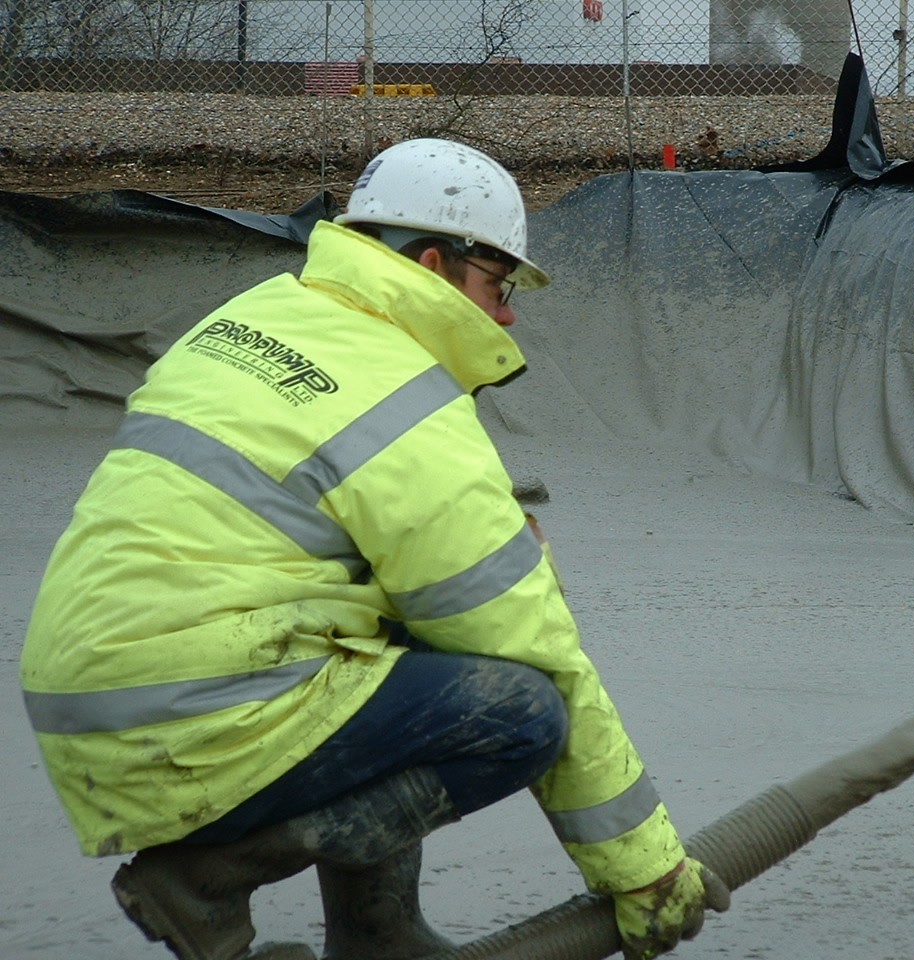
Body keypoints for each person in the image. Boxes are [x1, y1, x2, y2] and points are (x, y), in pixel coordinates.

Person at [20, 138, 729, 960]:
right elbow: (537, 649)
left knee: (392, 629)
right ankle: (209, 877)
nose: (506, 317)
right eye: (498, 286)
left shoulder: (255, 319)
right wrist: (643, 868)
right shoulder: (404, 407)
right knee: (520, 713)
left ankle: (377, 936)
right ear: (434, 263)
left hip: (89, 693)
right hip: (192, 709)